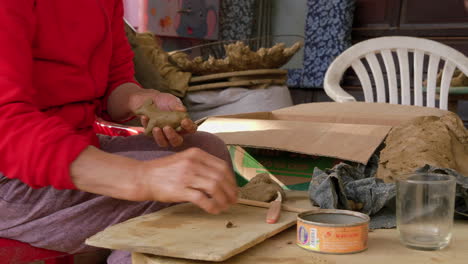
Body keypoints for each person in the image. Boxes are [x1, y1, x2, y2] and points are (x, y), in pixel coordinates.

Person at [0, 1, 238, 263]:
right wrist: (141, 178)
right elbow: (8, 127)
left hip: (73, 143)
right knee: (176, 197)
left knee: (206, 152)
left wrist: (140, 100)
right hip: (12, 176)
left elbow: (115, 81)